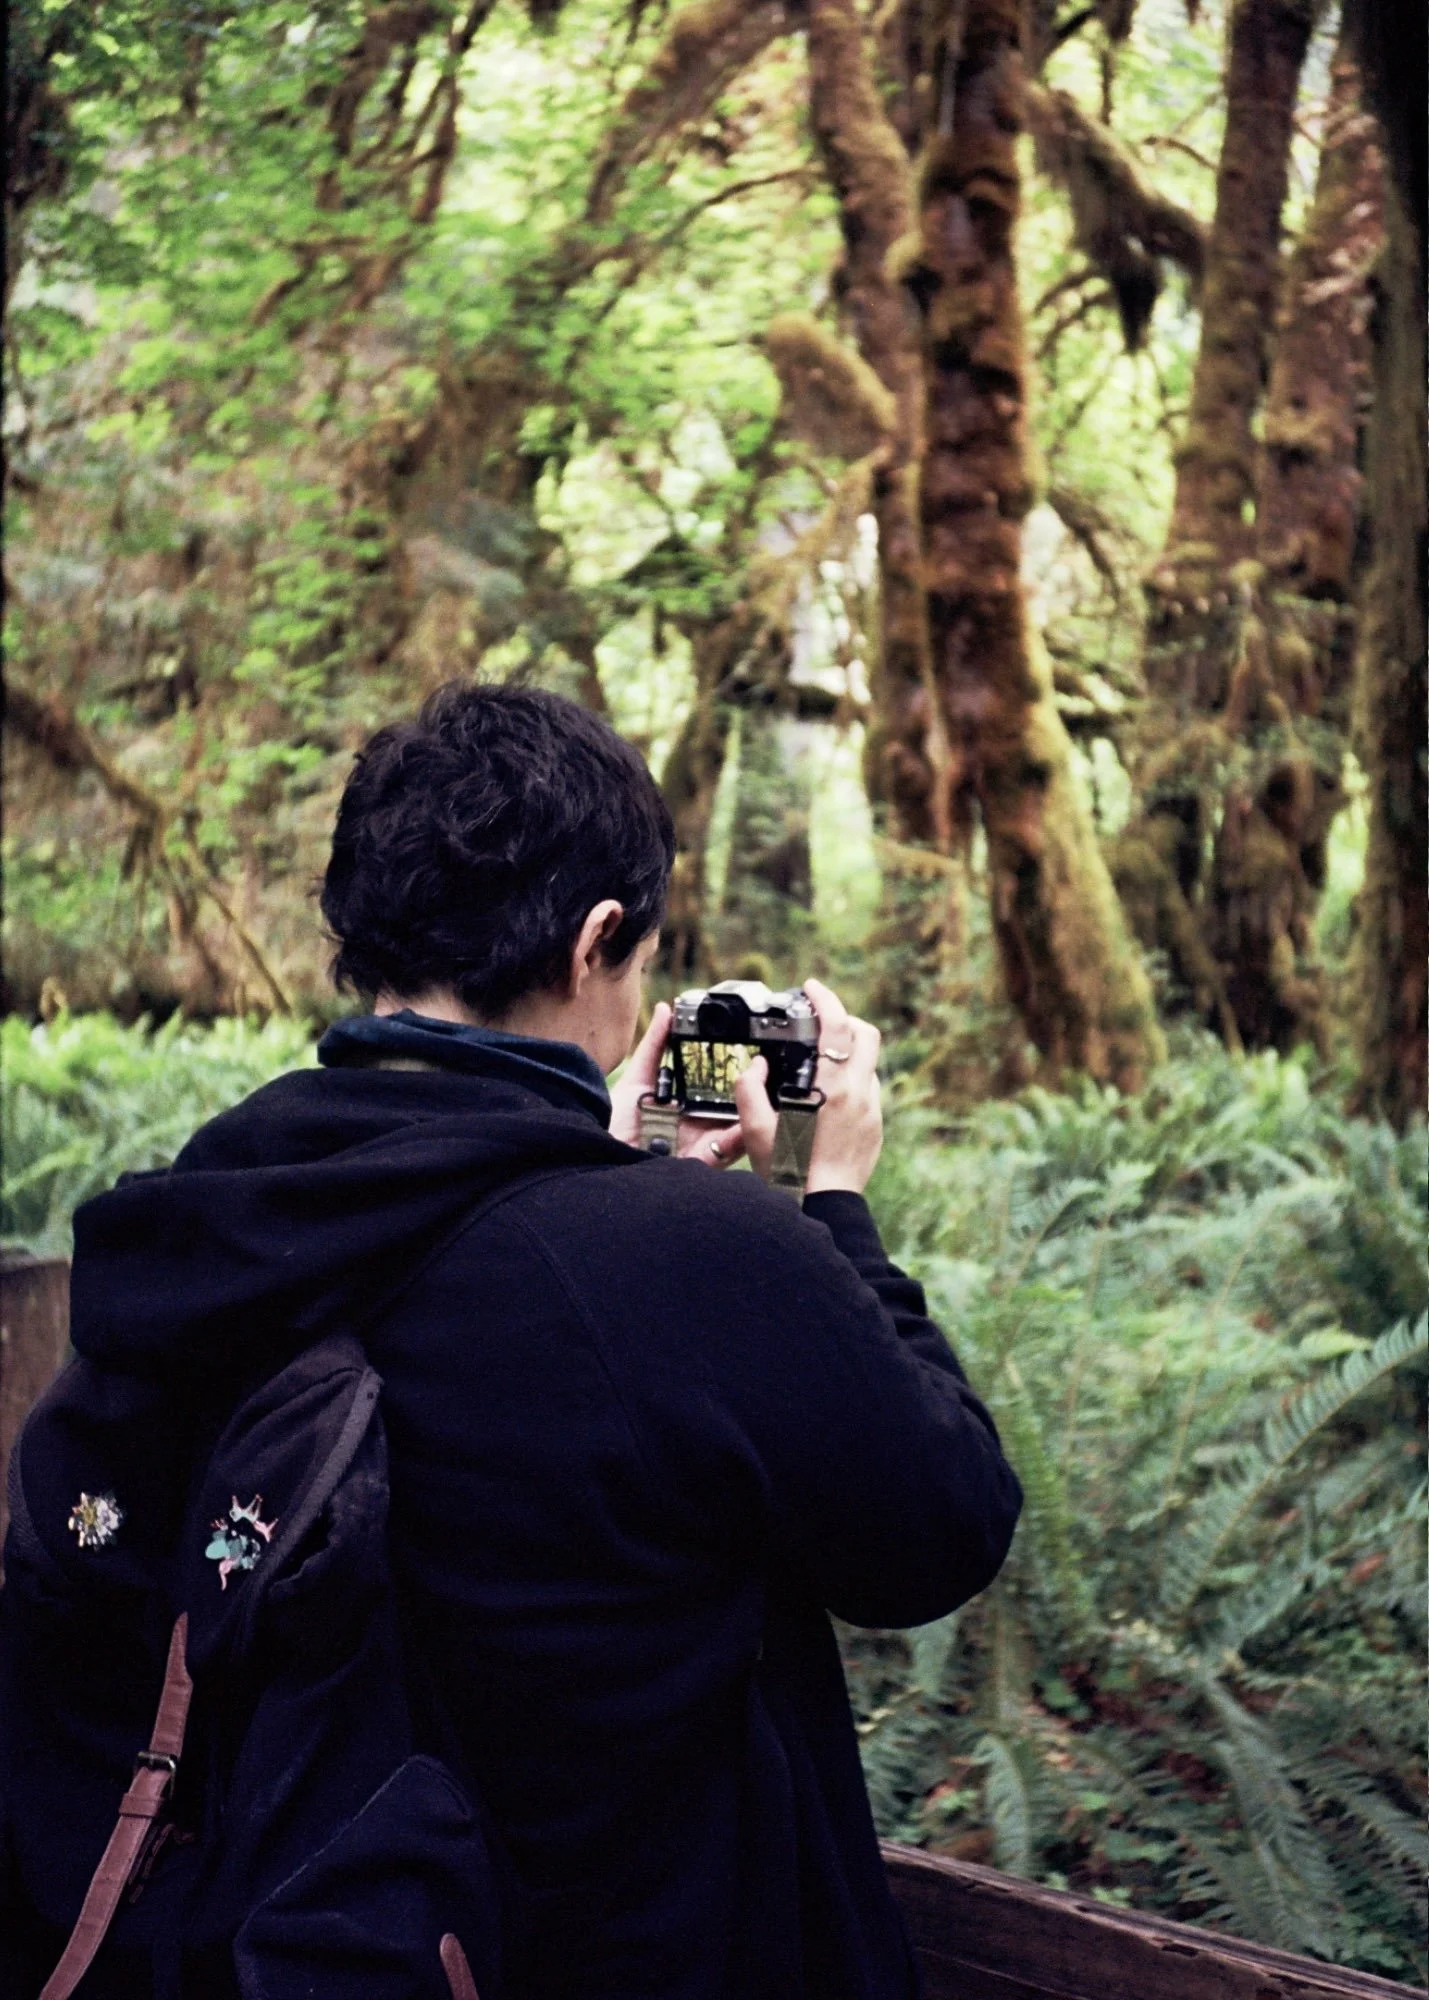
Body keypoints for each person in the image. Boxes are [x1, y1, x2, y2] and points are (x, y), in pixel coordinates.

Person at [34, 681, 1021, 1999]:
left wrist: (575, 1163)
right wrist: (834, 1199)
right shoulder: (697, 1261)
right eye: (643, 960)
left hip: (284, 1939)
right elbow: (944, 1523)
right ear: (595, 940)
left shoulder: (214, 1211)